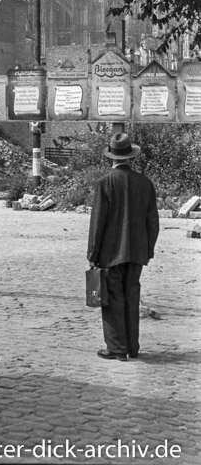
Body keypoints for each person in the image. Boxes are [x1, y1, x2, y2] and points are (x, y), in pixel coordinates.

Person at [87, 132, 160, 361]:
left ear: (112, 157)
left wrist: (92, 253)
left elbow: (98, 222)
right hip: (137, 253)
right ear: (131, 156)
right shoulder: (145, 183)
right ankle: (132, 347)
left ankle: (116, 348)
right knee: (132, 296)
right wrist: (147, 250)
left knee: (112, 299)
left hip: (110, 253)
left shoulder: (105, 182)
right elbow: (153, 222)